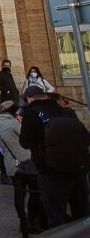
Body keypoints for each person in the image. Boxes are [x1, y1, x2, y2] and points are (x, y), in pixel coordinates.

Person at [19, 85, 90, 226]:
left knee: (57, 217)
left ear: (28, 99)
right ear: (45, 96)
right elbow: (85, 136)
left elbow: (25, 142)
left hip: (50, 172)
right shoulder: (67, 111)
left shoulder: (31, 114)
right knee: (82, 215)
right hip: (78, 169)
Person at [0, 100, 44, 237]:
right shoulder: (14, 123)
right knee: (35, 190)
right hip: (24, 161)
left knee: (19, 193)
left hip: (11, 163)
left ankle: (22, 221)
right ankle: (32, 220)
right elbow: (26, 138)